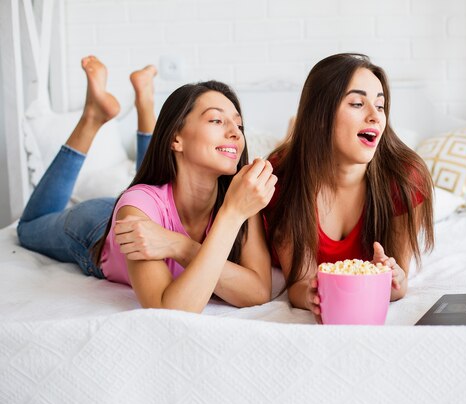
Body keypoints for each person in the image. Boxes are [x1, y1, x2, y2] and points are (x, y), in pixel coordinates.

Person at [17, 56, 276, 313]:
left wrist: (179, 245)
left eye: (239, 124)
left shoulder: (239, 199)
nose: (235, 132)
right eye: (216, 120)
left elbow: (258, 292)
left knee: (151, 184)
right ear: (176, 138)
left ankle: (145, 102)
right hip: (97, 228)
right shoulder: (136, 209)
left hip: (152, 205)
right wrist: (231, 216)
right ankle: (92, 117)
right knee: (28, 228)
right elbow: (170, 309)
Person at [264, 53, 434, 322]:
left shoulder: (404, 177)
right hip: (301, 156)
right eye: (357, 103)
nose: (375, 116)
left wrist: (392, 276)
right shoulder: (282, 176)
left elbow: (398, 282)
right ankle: (294, 131)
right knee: (291, 147)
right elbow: (298, 284)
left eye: (380, 106)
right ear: (320, 115)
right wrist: (311, 296)